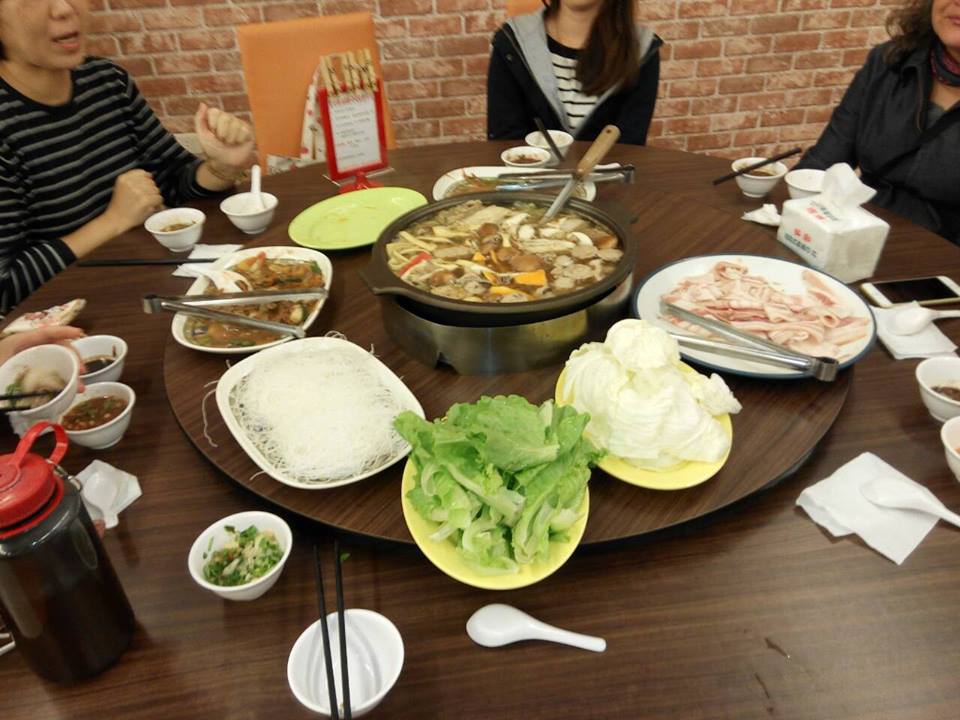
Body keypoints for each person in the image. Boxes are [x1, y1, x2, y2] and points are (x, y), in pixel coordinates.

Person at [0, 0, 256, 315]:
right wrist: (113, 221)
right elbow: (6, 288)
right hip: (68, 324)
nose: (64, 8)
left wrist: (221, 167)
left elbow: (173, 182)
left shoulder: (106, 81)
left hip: (147, 290)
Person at [795, 0, 960, 243]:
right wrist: (789, 209)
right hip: (858, 237)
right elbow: (822, 163)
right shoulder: (889, 62)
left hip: (942, 258)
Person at [486, 0, 661, 146]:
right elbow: (505, 143)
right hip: (526, 176)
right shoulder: (512, 41)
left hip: (608, 176)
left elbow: (629, 147)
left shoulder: (640, 50)